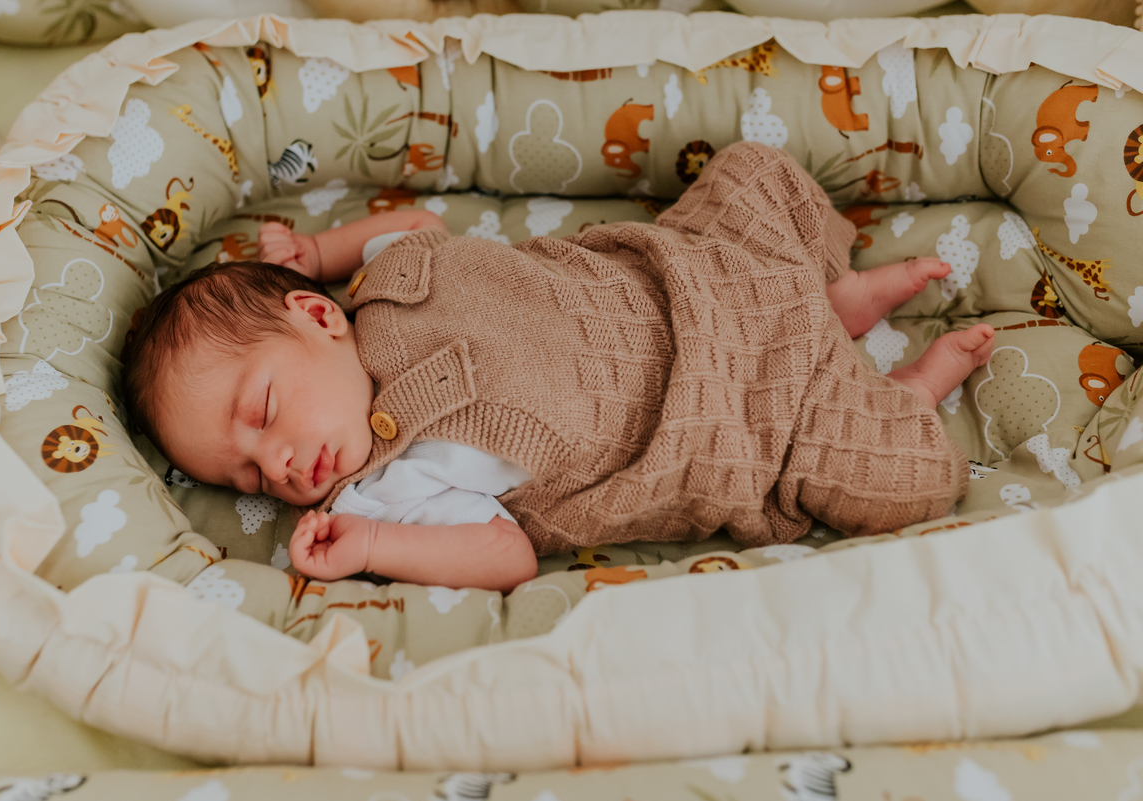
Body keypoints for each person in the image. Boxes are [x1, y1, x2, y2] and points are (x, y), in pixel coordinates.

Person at [121, 142, 993, 593]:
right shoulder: (381, 493)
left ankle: (832, 301)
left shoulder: (383, 281)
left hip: (687, 272)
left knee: (751, 174)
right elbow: (504, 556)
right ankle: (904, 389)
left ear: (318, 318)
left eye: (263, 409)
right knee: (898, 478)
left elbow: (422, 223)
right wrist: (375, 546)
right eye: (245, 473)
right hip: (725, 415)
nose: (274, 464)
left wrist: (317, 249)